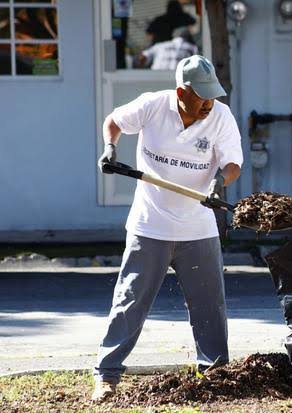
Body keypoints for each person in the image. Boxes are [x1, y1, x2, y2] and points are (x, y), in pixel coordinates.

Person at [92, 55, 243, 401]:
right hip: (150, 225)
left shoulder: (220, 116)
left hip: (198, 229)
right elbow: (114, 121)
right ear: (181, 92)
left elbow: (233, 162)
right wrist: (110, 149)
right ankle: (107, 374)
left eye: (212, 95)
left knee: (210, 306)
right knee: (130, 302)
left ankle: (215, 373)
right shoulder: (153, 106)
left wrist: (220, 183)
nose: (209, 103)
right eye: (202, 96)